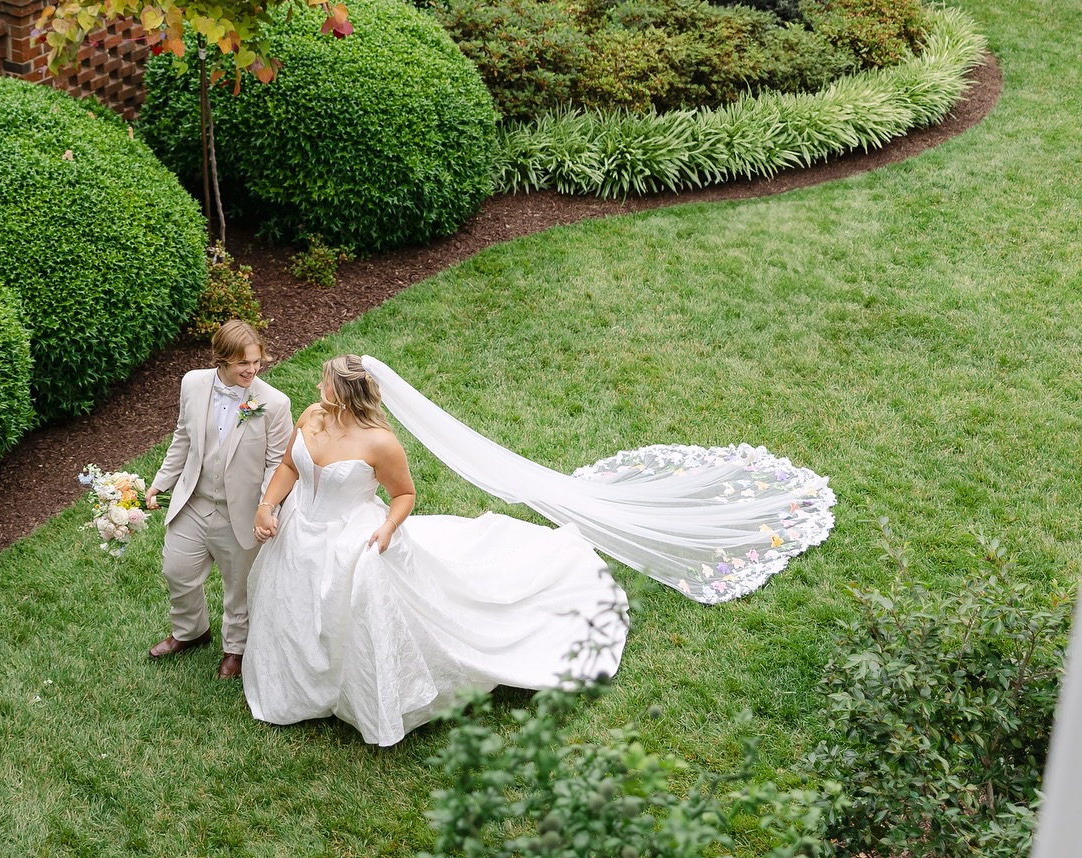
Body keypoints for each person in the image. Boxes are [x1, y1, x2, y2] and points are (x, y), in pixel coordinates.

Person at [242, 354, 834, 748]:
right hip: (301, 537)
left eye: (325, 383)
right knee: (298, 611)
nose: (316, 389)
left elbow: (405, 495)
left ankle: (360, 694)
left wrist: (388, 530)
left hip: (358, 541)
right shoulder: (312, 418)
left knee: (363, 614)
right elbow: (289, 470)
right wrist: (269, 507)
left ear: (345, 393)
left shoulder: (379, 442)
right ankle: (301, 687)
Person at [146, 320, 292, 679]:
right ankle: (190, 631)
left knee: (238, 586)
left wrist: (265, 509)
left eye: (256, 361)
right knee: (177, 571)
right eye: (243, 363)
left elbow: (278, 464)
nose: (252, 370)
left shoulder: (273, 403)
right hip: (194, 502)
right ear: (221, 359)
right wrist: (160, 483)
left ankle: (236, 649)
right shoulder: (192, 383)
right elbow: (183, 437)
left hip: (241, 511)